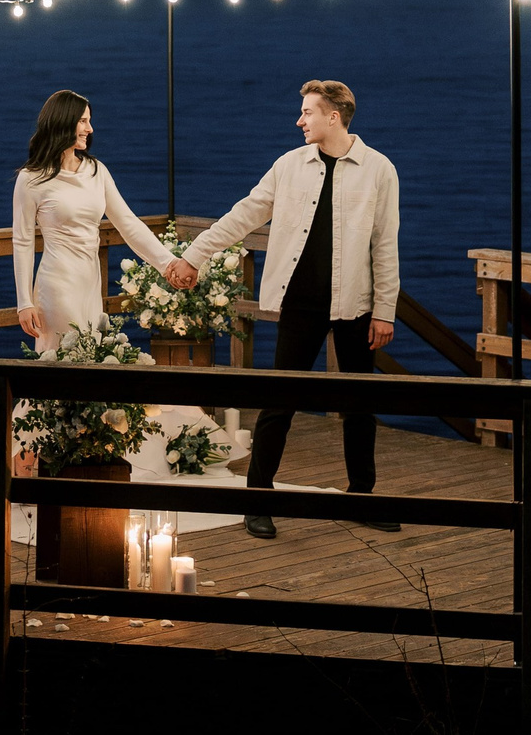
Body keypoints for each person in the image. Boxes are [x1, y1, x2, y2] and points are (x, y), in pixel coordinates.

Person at [169, 79, 400, 537]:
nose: (299, 121)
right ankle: (258, 500)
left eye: (308, 112)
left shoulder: (379, 170)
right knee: (279, 405)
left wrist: (385, 310)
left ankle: (361, 496)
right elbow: (243, 215)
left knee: (360, 406)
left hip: (356, 306)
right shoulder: (288, 165)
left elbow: (385, 243)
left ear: (333, 116)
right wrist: (195, 254)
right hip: (299, 304)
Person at [12, 89, 179, 357]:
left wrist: (168, 263)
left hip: (90, 282)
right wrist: (24, 302)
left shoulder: (96, 171)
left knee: (91, 355)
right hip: (56, 284)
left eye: (89, 121)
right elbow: (22, 241)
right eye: (82, 121)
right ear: (63, 122)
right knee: (67, 357)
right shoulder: (31, 178)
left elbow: (128, 223)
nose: (89, 129)